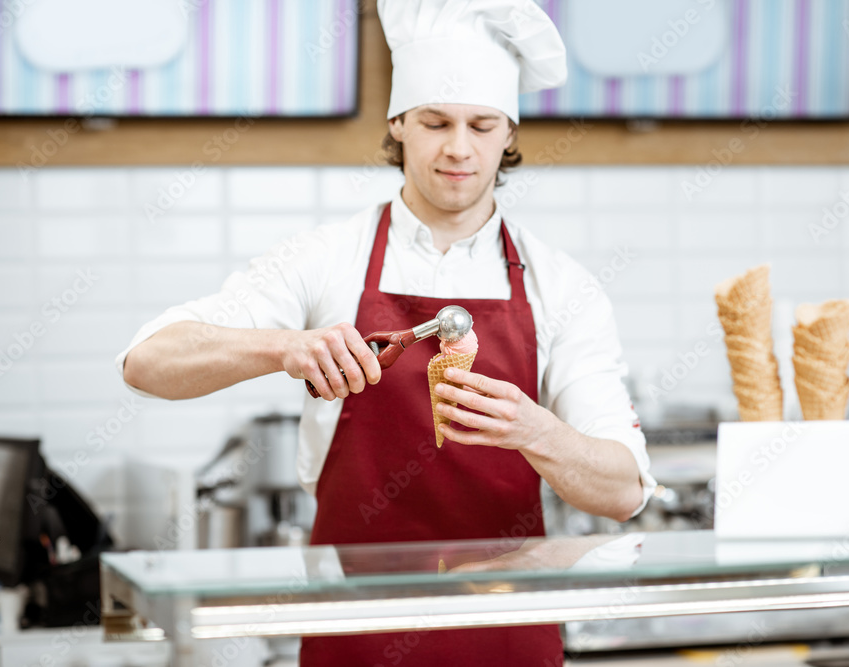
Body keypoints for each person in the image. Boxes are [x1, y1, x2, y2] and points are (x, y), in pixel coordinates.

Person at [117, 0, 656, 664]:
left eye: (481, 125)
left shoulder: (561, 285)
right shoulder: (327, 258)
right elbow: (148, 361)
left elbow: (626, 490)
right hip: (359, 628)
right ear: (399, 123)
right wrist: (284, 348)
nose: (459, 147)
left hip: (507, 631)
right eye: (436, 121)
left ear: (508, 131)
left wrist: (537, 430)